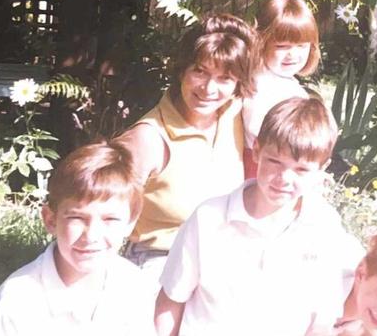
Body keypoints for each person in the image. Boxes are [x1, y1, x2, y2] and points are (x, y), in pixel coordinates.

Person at [154, 97, 363, 336]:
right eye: (275, 161)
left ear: (322, 169)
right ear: (257, 151)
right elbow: (171, 299)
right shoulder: (209, 219)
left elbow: (364, 288)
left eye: (301, 169)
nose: (284, 178)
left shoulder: (324, 227)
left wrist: (362, 321)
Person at [112, 13, 256, 322]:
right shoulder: (147, 138)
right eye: (200, 71)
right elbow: (103, 215)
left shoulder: (236, 114)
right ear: (181, 71)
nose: (209, 88)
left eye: (225, 78)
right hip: (159, 263)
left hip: (224, 257)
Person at [0, 141, 150, 336]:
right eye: (76, 218)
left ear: (130, 223)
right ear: (50, 220)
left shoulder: (138, 288)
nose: (91, 236)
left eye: (110, 219)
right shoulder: (15, 306)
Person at [242, 0, 321, 178]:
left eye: (301, 46)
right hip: (265, 169)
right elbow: (260, 130)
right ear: (262, 44)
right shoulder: (261, 84)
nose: (293, 55)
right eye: (282, 46)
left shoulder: (282, 81)